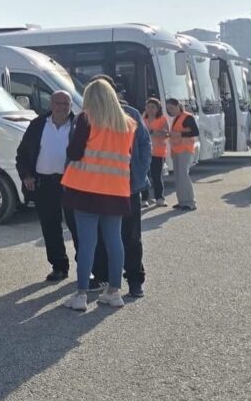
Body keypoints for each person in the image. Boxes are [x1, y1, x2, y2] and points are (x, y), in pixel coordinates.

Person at [60, 78, 137, 311]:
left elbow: (74, 152)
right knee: (115, 241)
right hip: (116, 189)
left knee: (87, 243)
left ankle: (81, 295)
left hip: (86, 188)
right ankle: (114, 291)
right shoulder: (128, 124)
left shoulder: (86, 119)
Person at [91, 86, 152, 299]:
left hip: (128, 187)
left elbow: (145, 144)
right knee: (100, 234)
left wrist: (140, 173)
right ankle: (103, 275)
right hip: (101, 187)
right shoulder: (91, 117)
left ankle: (135, 280)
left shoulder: (132, 114)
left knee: (131, 236)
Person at [15, 90, 78, 282]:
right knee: (50, 228)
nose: (62, 107)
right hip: (45, 184)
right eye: (58, 103)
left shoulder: (78, 126)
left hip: (72, 184)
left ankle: (86, 267)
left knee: (77, 227)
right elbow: (22, 153)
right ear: (51, 105)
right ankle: (59, 266)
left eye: (66, 104)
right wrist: (26, 175)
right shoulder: (38, 125)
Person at [165, 98, 199, 210]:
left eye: (171, 108)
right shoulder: (175, 118)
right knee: (179, 176)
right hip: (176, 150)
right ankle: (182, 201)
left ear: (178, 106)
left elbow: (195, 131)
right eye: (168, 108)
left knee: (183, 175)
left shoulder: (187, 117)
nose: (170, 110)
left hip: (185, 149)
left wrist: (178, 133)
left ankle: (190, 202)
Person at [141, 98, 169, 207]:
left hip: (158, 152)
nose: (150, 109)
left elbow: (167, 133)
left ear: (158, 109)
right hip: (145, 152)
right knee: (144, 176)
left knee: (157, 176)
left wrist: (154, 132)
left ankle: (160, 198)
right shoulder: (142, 119)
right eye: (148, 107)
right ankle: (145, 198)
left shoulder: (162, 119)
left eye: (153, 107)